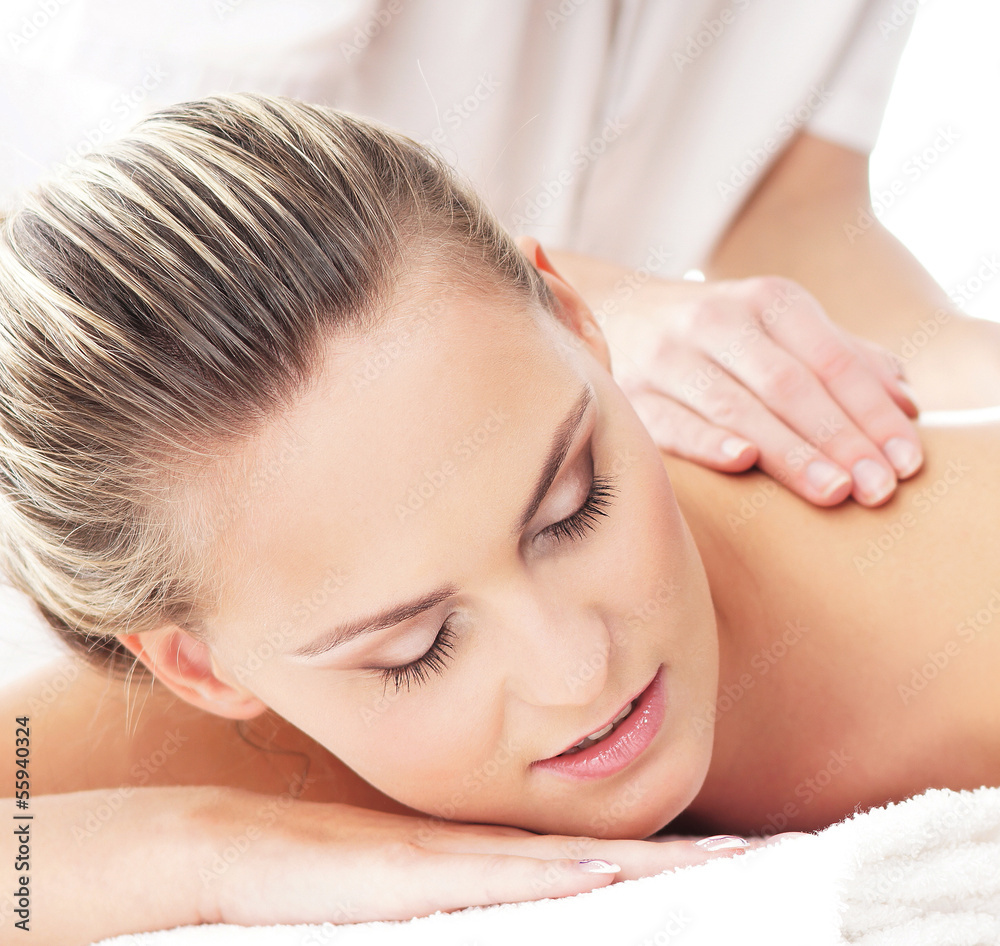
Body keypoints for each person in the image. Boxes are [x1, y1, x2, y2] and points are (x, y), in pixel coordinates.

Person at [0, 93, 998, 943]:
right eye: (417, 647)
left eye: (573, 506)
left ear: (580, 324)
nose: (577, 671)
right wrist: (212, 852)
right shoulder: (255, 710)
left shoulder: (961, 605)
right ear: (201, 668)